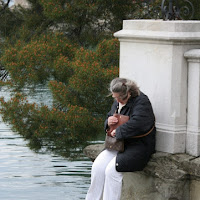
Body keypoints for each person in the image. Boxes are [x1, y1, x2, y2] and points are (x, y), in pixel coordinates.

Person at [85, 77, 156, 200]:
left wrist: (118, 131)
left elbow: (138, 123)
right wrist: (108, 122)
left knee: (112, 171)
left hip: (138, 146)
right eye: (115, 97)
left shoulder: (142, 101)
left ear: (129, 93)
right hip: (117, 144)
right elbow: (109, 116)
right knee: (97, 167)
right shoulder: (119, 98)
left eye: (120, 98)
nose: (117, 100)